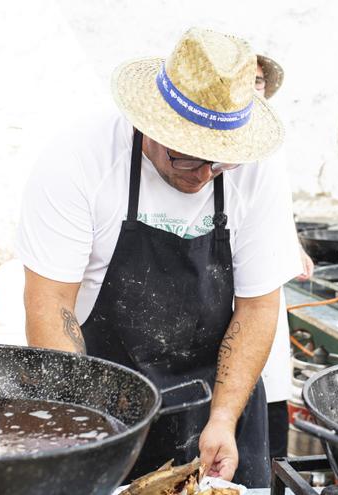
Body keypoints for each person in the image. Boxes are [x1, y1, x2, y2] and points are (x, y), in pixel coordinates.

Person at [16, 28, 301, 487]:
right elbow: (50, 303)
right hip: (104, 400)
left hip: (217, 399)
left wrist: (224, 419)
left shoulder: (255, 168)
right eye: (187, 158)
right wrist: (84, 430)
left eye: (220, 162)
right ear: (149, 123)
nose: (206, 175)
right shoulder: (79, 158)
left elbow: (259, 304)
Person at [253, 53, 314, 460]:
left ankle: (268, 463)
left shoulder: (272, 139)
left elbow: (279, 203)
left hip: (265, 270)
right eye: (247, 80)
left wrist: (294, 243)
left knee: (270, 370)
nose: (255, 87)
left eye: (260, 81)